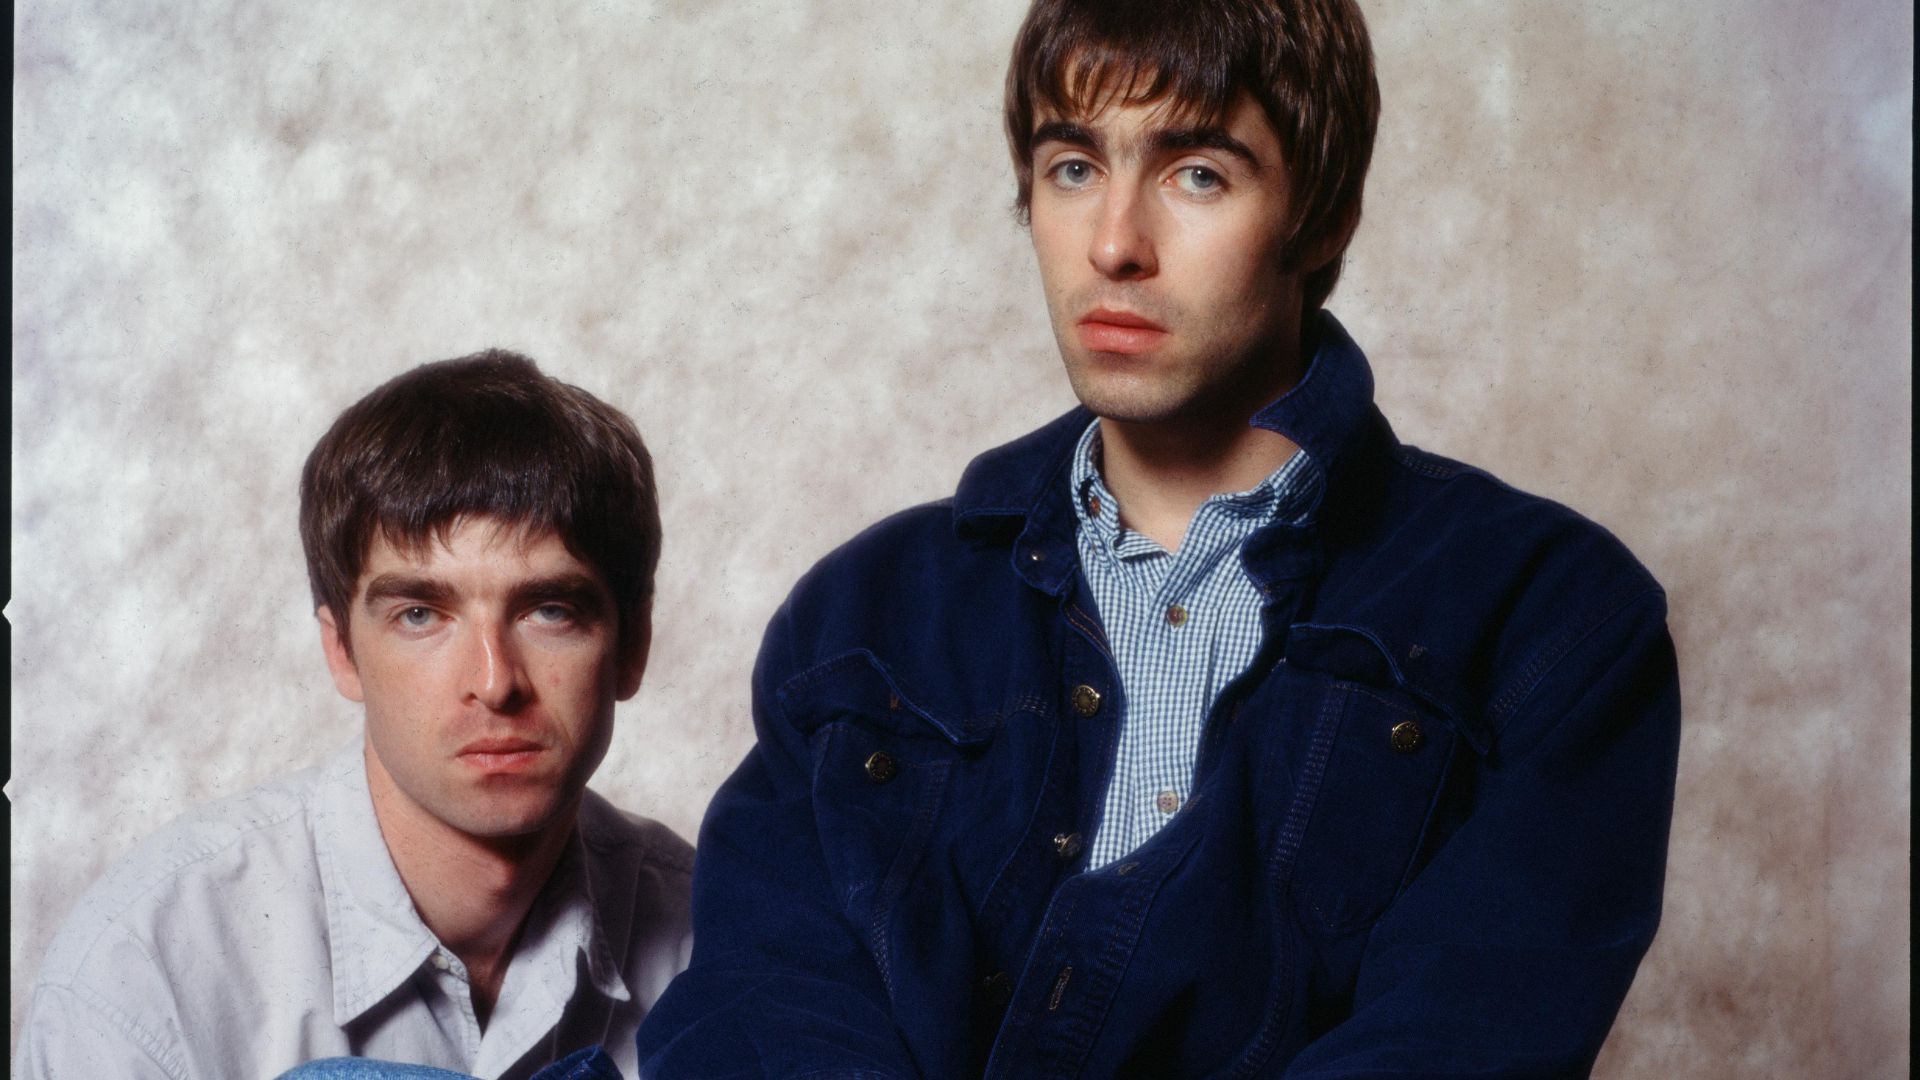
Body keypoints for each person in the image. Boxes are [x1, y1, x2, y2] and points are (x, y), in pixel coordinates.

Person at [637, 0, 1681, 1075]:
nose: (1114, 244)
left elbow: (1458, 1043)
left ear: (1323, 217)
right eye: (1074, 167)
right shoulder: (863, 618)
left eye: (1198, 174)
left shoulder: (1552, 618)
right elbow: (762, 1010)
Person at [16, 352, 692, 1080]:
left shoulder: (715, 929)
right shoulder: (146, 969)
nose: (495, 683)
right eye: (420, 614)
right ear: (341, 650)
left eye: (550, 610)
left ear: (632, 647)